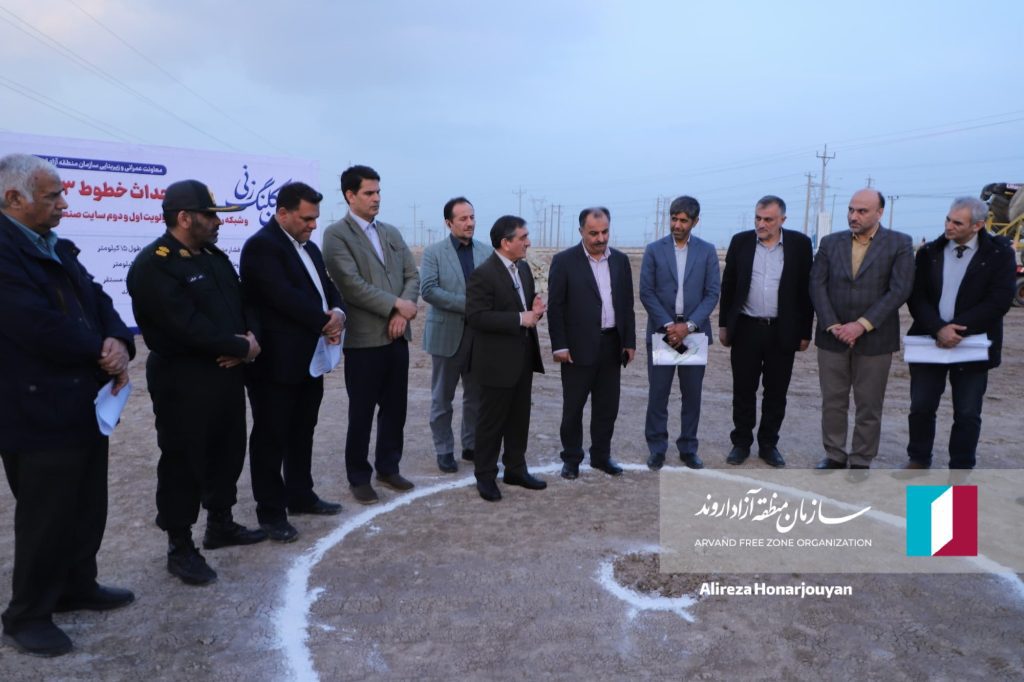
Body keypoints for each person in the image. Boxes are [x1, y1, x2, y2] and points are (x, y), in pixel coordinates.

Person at [0, 154, 135, 656]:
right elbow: (31, 323)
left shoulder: (56, 246)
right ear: (14, 198)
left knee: (85, 504)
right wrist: (100, 350)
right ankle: (28, 614)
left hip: (80, 400)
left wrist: (119, 340)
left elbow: (99, 300)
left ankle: (77, 585)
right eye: (53, 195)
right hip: (33, 406)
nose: (63, 203)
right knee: (46, 514)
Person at [128, 179, 266, 587]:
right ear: (185, 218)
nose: (217, 222)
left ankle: (220, 523)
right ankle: (180, 545)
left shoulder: (213, 256)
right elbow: (184, 326)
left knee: (227, 450)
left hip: (226, 374)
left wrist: (251, 340)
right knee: (183, 460)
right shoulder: (155, 264)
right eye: (210, 215)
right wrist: (238, 347)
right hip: (183, 380)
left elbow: (243, 303)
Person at [240, 182, 346, 543]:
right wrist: (324, 322)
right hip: (274, 364)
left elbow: (327, 288)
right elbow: (281, 296)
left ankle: (301, 494)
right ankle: (271, 512)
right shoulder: (261, 247)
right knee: (271, 437)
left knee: (303, 430)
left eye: (315, 218)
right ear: (282, 213)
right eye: (306, 218)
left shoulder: (310, 248)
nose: (313, 225)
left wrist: (338, 313)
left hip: (309, 360)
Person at [323, 165, 420, 505]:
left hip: (397, 337)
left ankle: (388, 467)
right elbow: (351, 285)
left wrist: (403, 311)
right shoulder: (336, 235)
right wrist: (396, 306)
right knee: (361, 412)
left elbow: (412, 275)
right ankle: (359, 476)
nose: (376, 198)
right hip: (365, 341)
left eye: (378, 192)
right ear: (350, 196)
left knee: (395, 409)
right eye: (368, 193)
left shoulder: (390, 232)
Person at [904, 196, 1015, 469]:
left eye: (957, 223)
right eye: (948, 219)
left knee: (967, 413)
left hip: (972, 345)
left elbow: (999, 300)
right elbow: (916, 297)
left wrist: (957, 330)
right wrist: (938, 328)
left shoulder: (999, 254)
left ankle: (961, 469)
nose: (949, 226)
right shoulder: (929, 252)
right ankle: (918, 459)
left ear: (977, 225)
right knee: (921, 407)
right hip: (930, 342)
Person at [809, 188, 914, 471]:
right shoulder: (830, 243)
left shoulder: (900, 243)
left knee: (869, 404)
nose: (853, 216)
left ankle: (860, 459)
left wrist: (861, 325)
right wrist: (833, 325)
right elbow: (816, 285)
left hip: (875, 339)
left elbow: (899, 289)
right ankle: (834, 454)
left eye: (862, 211)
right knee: (833, 401)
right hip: (832, 337)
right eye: (851, 210)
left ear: (879, 213)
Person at [718, 196, 813, 468]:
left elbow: (806, 291)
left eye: (768, 219)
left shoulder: (800, 244)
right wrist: (724, 324)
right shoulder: (741, 242)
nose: (761, 224)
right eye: (758, 218)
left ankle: (768, 444)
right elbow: (729, 285)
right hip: (746, 328)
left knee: (776, 391)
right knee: (743, 389)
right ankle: (741, 442)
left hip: (782, 330)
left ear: (782, 219)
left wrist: (805, 332)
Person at [547, 207, 636, 479]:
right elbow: (555, 307)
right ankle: (571, 459)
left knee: (607, 408)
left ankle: (601, 456)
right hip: (576, 349)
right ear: (581, 232)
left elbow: (626, 304)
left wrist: (629, 341)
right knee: (573, 409)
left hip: (611, 345)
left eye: (605, 232)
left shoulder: (620, 261)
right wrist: (560, 346)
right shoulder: (564, 261)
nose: (601, 238)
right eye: (594, 233)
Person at [466, 215, 547, 501]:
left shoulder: (522, 269)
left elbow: (525, 311)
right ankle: (485, 476)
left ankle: (515, 469)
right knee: (491, 423)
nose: (528, 242)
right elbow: (477, 317)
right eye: (523, 237)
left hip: (522, 358)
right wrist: (520, 318)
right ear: (505, 242)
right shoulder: (483, 274)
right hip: (496, 363)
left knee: (519, 419)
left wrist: (535, 312)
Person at [639, 196, 721, 470]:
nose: (677, 225)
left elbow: (712, 293)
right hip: (663, 333)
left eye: (683, 220)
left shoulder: (707, 251)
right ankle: (657, 449)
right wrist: (668, 326)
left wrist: (689, 326)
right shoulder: (654, 250)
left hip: (693, 335)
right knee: (658, 395)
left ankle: (688, 447)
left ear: (695, 222)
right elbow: (646, 292)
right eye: (674, 219)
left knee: (692, 395)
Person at [420, 197, 490, 473]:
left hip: (480, 337)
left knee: (475, 396)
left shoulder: (486, 252)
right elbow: (429, 290)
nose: (469, 223)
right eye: (463, 218)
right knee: (442, 398)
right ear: (448, 223)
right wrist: (469, 305)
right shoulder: (433, 253)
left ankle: (470, 445)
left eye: (472, 217)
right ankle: (444, 450)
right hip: (446, 335)